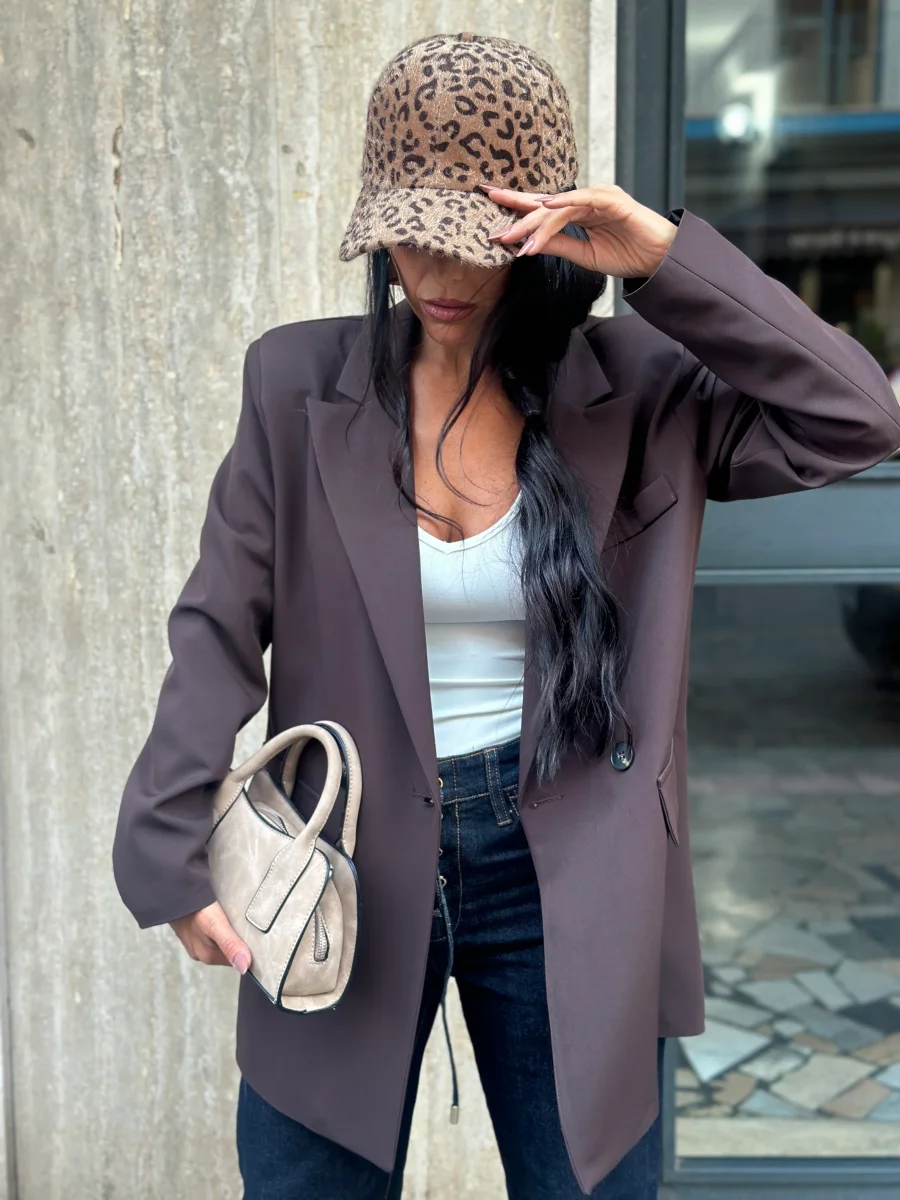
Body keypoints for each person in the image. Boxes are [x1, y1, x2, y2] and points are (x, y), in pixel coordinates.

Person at [111, 31, 900, 1200]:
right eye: (411, 230)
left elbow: (859, 416)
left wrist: (663, 258)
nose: (436, 268)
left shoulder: (640, 390)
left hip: (567, 859)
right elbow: (220, 620)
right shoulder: (297, 384)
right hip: (348, 853)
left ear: (540, 231)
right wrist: (168, 839)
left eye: (472, 234)